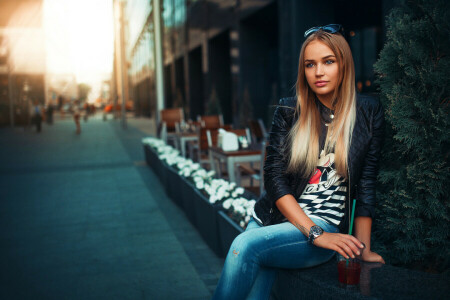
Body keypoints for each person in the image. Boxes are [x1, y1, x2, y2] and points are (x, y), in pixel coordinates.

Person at [212, 24, 385, 299]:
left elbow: (366, 183)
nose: (318, 72)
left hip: (323, 226)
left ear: (344, 64)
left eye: (328, 62)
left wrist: (362, 248)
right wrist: (314, 232)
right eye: (310, 64)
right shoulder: (290, 110)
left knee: (244, 246)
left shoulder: (367, 112)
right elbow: (274, 179)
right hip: (272, 220)